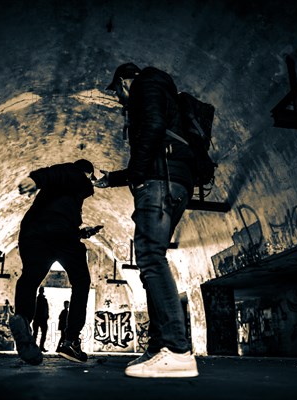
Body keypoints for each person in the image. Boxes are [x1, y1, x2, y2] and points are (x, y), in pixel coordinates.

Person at [95, 62, 199, 378]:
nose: (119, 97)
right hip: (174, 180)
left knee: (151, 258)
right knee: (151, 264)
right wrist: (112, 179)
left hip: (159, 181)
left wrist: (138, 175)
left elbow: (153, 125)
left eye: (117, 90)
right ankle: (158, 348)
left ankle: (177, 351)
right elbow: (157, 138)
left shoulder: (146, 85)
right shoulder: (162, 92)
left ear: (126, 81)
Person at [9, 159, 100, 365]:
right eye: (90, 177)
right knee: (81, 281)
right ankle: (70, 340)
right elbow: (57, 172)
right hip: (61, 235)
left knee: (31, 276)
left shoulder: (64, 193)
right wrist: (35, 179)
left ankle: (22, 319)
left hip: (34, 233)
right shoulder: (74, 172)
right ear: (87, 173)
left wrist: (82, 233)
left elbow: (58, 214)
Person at [32, 287, 49, 352]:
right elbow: (46, 309)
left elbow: (46, 309)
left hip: (40, 319)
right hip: (40, 319)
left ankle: (39, 347)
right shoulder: (41, 300)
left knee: (37, 333)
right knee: (37, 333)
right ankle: (40, 347)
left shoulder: (38, 300)